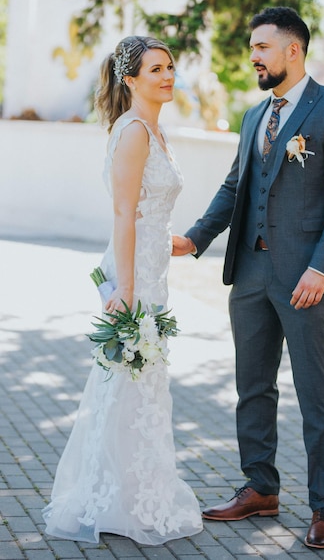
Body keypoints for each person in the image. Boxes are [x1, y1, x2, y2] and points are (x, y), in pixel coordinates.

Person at [172, 7, 324, 549]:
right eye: (252, 47)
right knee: (252, 387)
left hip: (307, 277)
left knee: (316, 392)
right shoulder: (254, 117)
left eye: (261, 46)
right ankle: (260, 487)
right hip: (251, 271)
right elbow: (236, 187)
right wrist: (194, 238)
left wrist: (321, 268)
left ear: (293, 50)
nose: (253, 56)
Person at [42, 36, 203, 545]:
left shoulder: (155, 130)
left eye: (171, 67)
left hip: (153, 267)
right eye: (156, 69)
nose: (168, 76)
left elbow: (149, 210)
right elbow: (122, 212)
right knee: (129, 378)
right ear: (129, 78)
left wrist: (171, 239)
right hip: (135, 278)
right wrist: (127, 291)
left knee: (143, 384)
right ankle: (112, 496)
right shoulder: (133, 130)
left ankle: (134, 491)